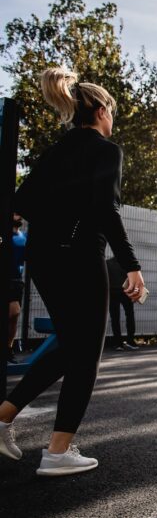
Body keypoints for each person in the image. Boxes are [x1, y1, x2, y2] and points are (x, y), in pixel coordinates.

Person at [0, 68, 145, 476]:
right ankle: (57, 451)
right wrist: (131, 265)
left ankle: (5, 417)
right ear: (101, 111)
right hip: (80, 258)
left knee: (71, 346)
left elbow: (21, 202)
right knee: (86, 354)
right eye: (111, 112)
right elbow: (107, 211)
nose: (111, 120)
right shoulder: (106, 150)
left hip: (43, 260)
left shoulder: (55, 151)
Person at [106, 256, 138, 350]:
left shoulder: (108, 263)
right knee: (130, 315)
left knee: (115, 318)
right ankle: (130, 341)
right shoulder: (128, 263)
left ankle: (118, 343)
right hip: (126, 293)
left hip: (113, 293)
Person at [8, 213, 27, 362]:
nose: (19, 216)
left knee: (14, 318)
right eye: (16, 214)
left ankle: (8, 349)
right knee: (13, 312)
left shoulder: (23, 236)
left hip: (17, 281)